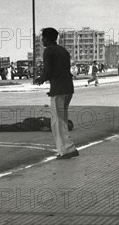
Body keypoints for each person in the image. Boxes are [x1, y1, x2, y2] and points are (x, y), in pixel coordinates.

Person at [34, 27, 79, 160]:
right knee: (62, 119)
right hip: (68, 88)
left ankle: (67, 150)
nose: (42, 40)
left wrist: (40, 79)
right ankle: (67, 148)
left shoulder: (48, 51)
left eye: (43, 37)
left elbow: (48, 72)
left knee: (57, 122)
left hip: (58, 90)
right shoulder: (63, 51)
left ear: (48, 38)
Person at [0, 117, 74, 132]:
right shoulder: (57, 121)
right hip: (35, 121)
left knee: (15, 126)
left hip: (36, 124)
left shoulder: (56, 126)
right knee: (16, 126)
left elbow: (46, 129)